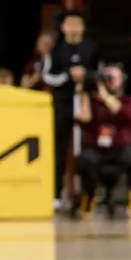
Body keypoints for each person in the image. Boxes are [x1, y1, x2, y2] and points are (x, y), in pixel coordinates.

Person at [41, 10, 100, 204]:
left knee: (87, 149)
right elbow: (48, 76)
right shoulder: (56, 49)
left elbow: (101, 74)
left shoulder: (92, 48)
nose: (74, 28)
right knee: (59, 148)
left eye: (78, 24)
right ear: (63, 27)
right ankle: (56, 193)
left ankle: (87, 193)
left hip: (86, 103)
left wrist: (86, 75)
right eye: (70, 24)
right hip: (63, 103)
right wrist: (68, 75)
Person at [74, 63, 131, 217]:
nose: (108, 81)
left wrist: (106, 96)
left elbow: (126, 115)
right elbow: (84, 120)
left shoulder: (130, 100)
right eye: (106, 77)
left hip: (121, 149)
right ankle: (89, 196)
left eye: (112, 77)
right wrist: (84, 95)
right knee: (84, 159)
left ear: (122, 80)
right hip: (97, 149)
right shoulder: (94, 101)